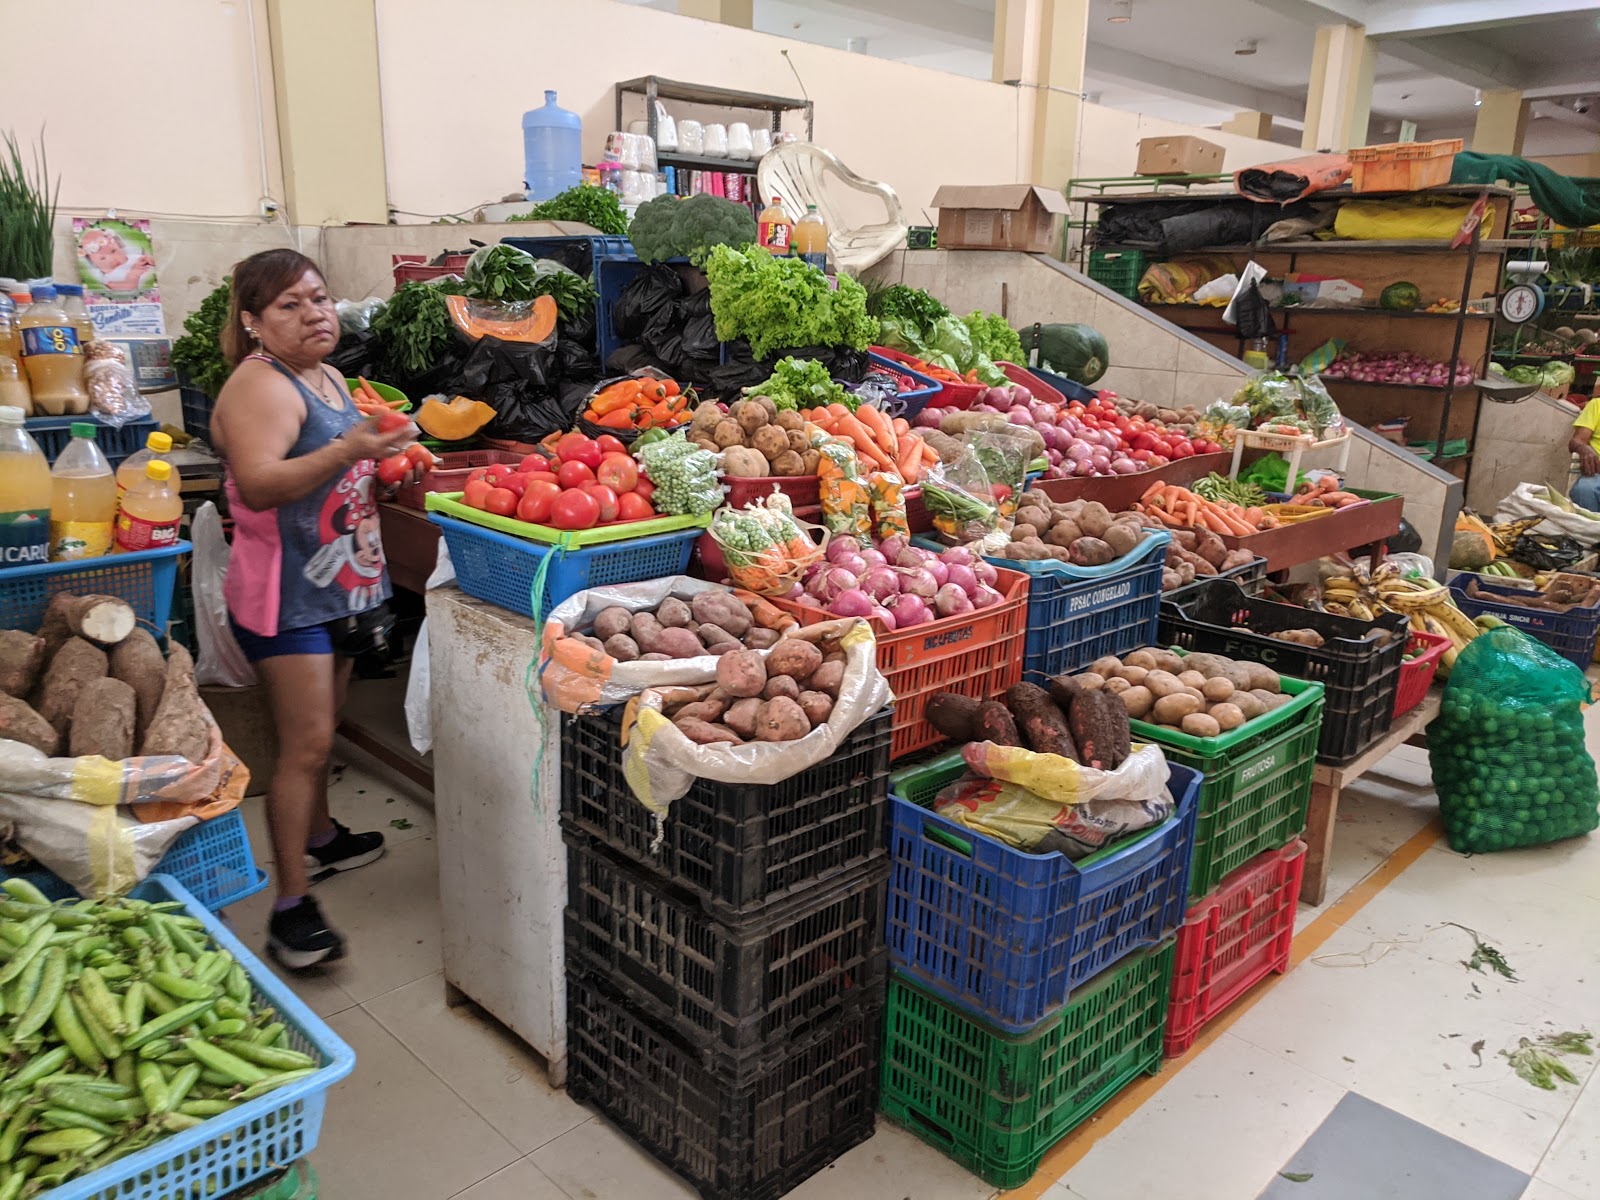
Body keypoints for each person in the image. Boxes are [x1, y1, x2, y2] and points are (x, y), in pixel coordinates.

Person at [210, 248, 419, 969]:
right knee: (301, 748)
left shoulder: (327, 376)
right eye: (290, 306)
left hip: (336, 587)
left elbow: (347, 475)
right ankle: (290, 909)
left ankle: (324, 838)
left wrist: (389, 465)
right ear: (253, 322)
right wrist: (355, 447)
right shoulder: (257, 387)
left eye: (320, 299)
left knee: (323, 733)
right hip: (286, 599)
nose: (314, 315)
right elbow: (264, 485)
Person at [1568, 396, 1600, 511]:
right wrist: (1584, 448)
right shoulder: (1597, 405)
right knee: (1584, 489)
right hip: (1597, 473)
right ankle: (1591, 528)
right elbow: (1576, 441)